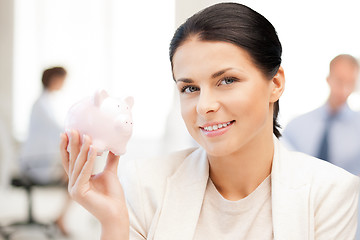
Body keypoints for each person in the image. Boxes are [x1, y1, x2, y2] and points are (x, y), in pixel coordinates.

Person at [59, 3, 360, 240]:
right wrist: (113, 226)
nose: (204, 106)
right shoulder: (144, 185)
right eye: (189, 88)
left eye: (227, 80)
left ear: (276, 83)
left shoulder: (332, 192)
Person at [282, 54, 360, 175]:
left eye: (350, 83)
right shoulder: (297, 126)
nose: (344, 90)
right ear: (329, 79)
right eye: (340, 81)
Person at [19, 66, 71, 236]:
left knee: (74, 173)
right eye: (62, 80)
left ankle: (61, 217)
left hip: (38, 160)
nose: (63, 84)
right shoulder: (41, 105)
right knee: (76, 175)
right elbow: (59, 131)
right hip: (36, 164)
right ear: (54, 79)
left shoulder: (44, 102)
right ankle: (60, 218)